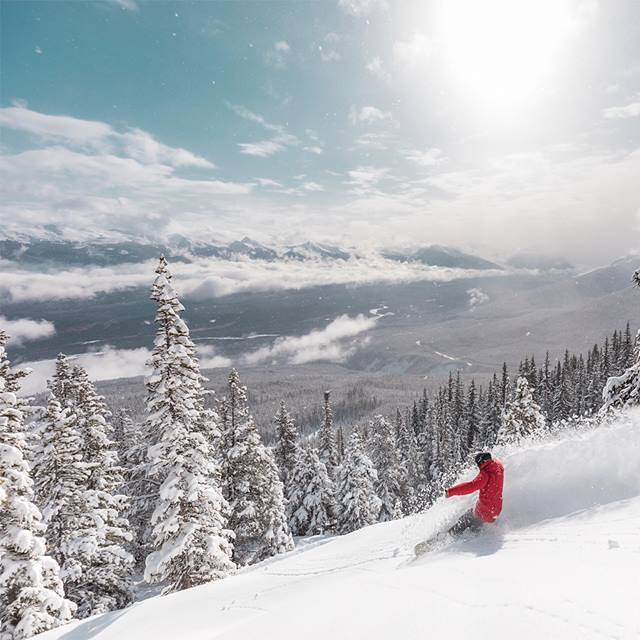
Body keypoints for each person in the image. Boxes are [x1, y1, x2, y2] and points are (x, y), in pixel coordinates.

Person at [445, 452, 504, 536]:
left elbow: (471, 486)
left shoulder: (485, 474)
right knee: (473, 517)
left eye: (478, 464)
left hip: (483, 512)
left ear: (481, 462)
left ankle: (448, 536)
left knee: (464, 521)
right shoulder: (499, 467)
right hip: (495, 510)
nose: (478, 467)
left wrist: (451, 491)